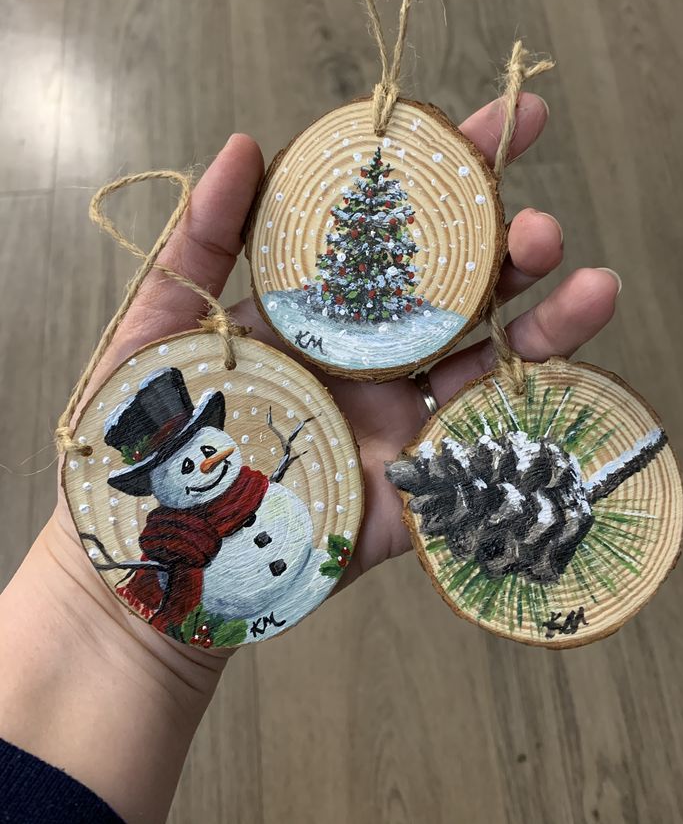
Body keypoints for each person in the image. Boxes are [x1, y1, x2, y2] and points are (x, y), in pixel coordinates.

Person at [0, 94, 620, 823]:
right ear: (157, 484)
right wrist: (112, 623)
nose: (201, 468)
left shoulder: (265, 486)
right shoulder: (171, 545)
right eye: (182, 468)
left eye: (202, 449)